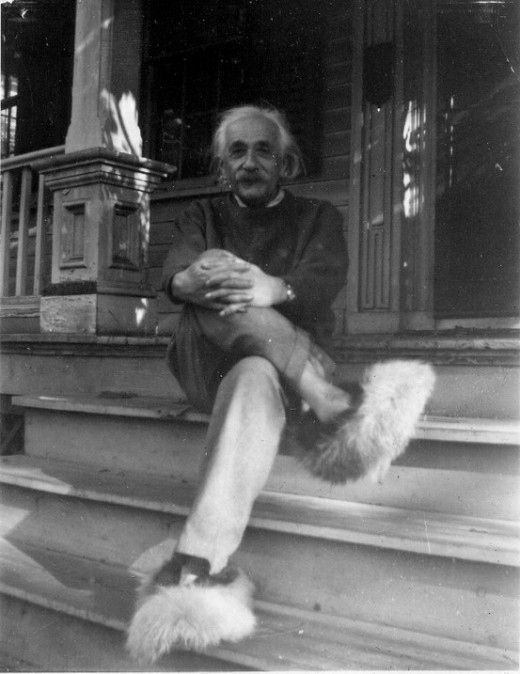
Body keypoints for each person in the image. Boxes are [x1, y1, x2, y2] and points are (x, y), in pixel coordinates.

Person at [126, 105, 434, 665]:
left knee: (256, 374)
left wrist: (276, 289)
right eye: (237, 152)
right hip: (205, 363)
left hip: (264, 381)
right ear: (223, 166)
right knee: (218, 273)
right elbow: (174, 278)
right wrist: (199, 278)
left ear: (285, 162)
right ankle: (331, 399)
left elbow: (323, 279)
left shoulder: (318, 216)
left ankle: (199, 565)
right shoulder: (200, 213)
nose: (249, 162)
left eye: (263, 151)